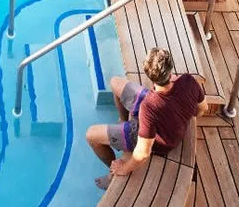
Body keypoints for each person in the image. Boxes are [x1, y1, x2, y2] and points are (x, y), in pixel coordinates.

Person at [84, 47, 204, 189]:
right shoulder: (189, 80)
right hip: (158, 112)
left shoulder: (149, 107)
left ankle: (112, 174)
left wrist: (123, 168)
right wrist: (180, 111)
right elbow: (202, 109)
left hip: (159, 143)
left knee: (91, 135)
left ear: (149, 75)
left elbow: (143, 153)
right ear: (170, 67)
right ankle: (123, 120)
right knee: (114, 82)